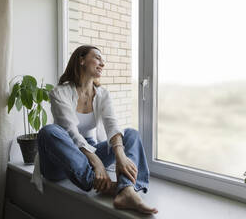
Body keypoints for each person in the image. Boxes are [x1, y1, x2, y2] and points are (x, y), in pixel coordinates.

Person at [35, 45, 158, 214]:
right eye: (98, 58)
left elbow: (112, 125)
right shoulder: (59, 92)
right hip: (60, 161)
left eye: (103, 60)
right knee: (48, 131)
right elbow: (70, 131)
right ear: (82, 60)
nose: (103, 63)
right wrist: (96, 162)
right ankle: (106, 185)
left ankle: (127, 190)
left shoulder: (102, 94)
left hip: (88, 154)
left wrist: (120, 155)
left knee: (130, 134)